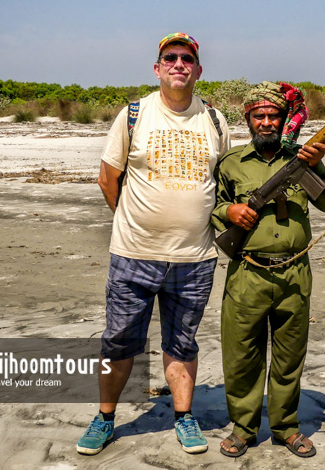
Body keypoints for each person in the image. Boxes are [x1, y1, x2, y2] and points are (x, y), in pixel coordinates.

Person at [77, 33, 230, 456]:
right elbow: (109, 179)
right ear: (157, 67)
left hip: (195, 258)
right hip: (133, 256)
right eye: (170, 58)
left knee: (182, 342)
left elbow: (223, 183)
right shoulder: (134, 115)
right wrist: (134, 224)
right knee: (119, 340)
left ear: (198, 70)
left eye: (187, 58)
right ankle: (105, 418)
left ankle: (184, 417)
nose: (179, 63)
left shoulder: (215, 121)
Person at [211, 82, 325, 458]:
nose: (266, 122)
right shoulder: (232, 162)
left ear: (284, 120)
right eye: (259, 116)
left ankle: (285, 428)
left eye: (274, 116)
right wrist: (229, 212)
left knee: (288, 357)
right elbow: (213, 207)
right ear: (249, 119)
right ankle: (244, 428)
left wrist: (317, 164)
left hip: (294, 274)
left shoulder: (301, 159)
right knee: (241, 357)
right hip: (247, 273)